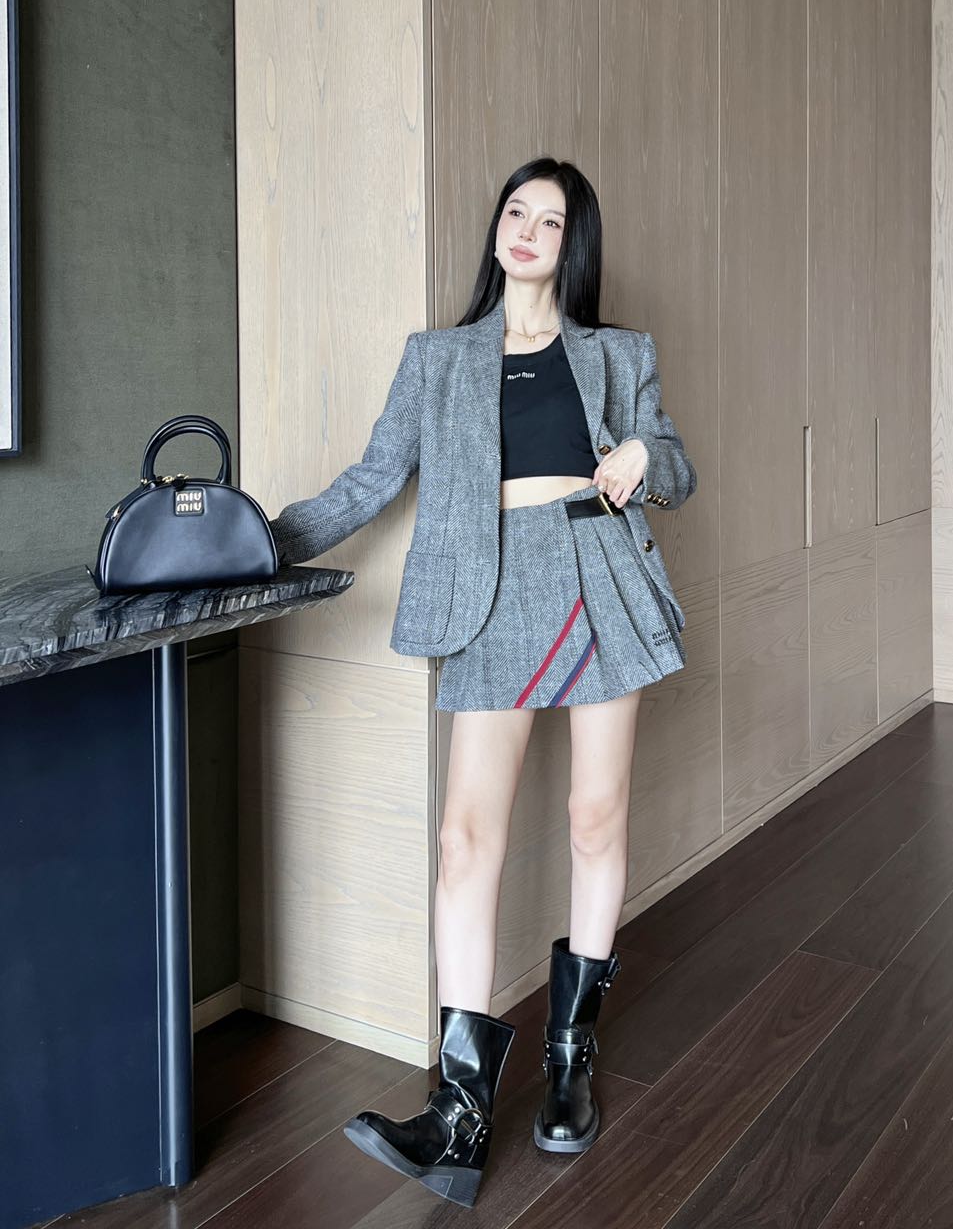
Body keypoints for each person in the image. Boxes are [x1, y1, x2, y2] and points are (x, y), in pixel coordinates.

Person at [268, 156, 697, 1208]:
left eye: (551, 220)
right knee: (465, 839)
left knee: (594, 817)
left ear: (572, 245)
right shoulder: (439, 359)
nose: (527, 230)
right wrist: (259, 543)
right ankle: (459, 1112)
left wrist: (644, 455)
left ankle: (570, 1060)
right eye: (516, 211)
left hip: (596, 572)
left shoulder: (619, 353)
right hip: (491, 592)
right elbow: (372, 478)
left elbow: (678, 468)